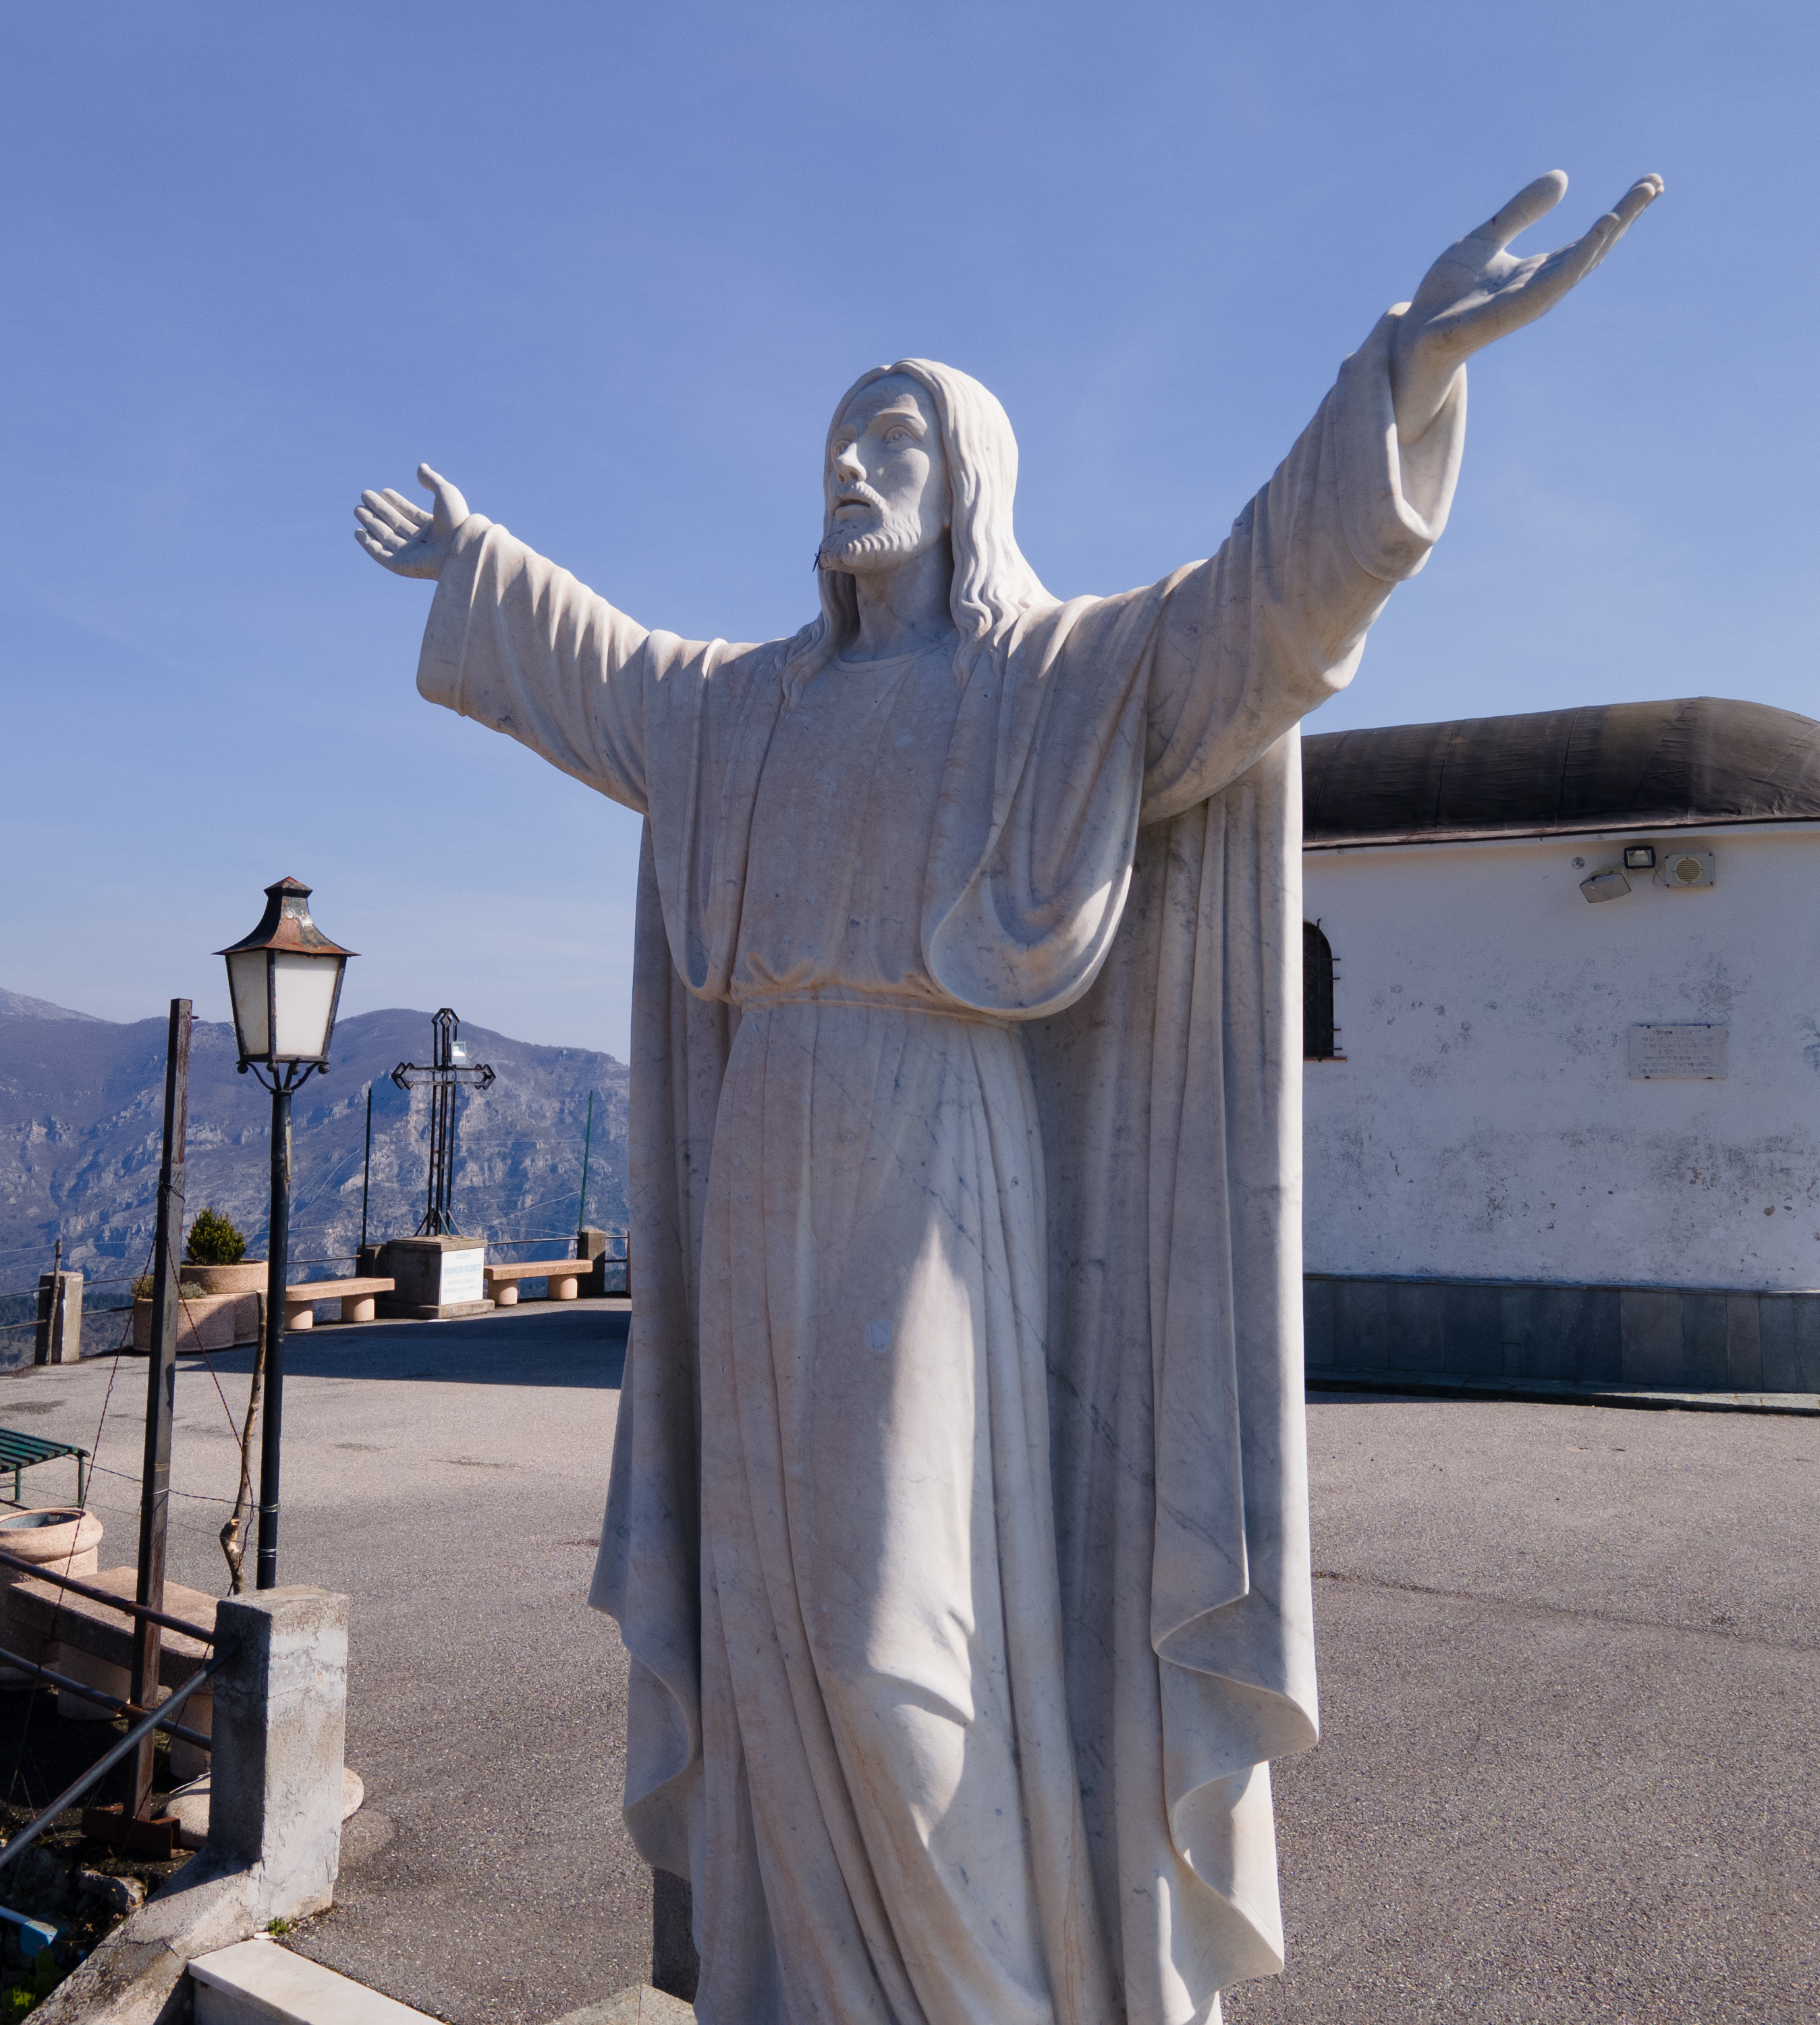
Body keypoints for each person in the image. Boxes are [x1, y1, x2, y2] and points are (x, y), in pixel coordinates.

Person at [359, 171, 1661, 2025]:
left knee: (903, 1640)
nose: (852, 465)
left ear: (970, 475)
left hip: (936, 1146)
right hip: (762, 1169)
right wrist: (482, 567)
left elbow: (1263, 614)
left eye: (894, 436)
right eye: (837, 438)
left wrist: (1403, 375)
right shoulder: (745, 712)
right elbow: (600, 672)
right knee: (776, 1617)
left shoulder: (1062, 679)